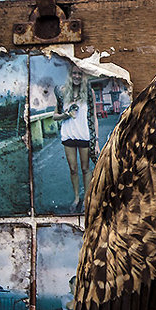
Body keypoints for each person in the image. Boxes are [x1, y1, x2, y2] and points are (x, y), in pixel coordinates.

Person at [53, 67, 92, 210]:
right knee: (73, 169)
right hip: (68, 135)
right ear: (70, 75)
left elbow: (93, 117)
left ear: (83, 76)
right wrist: (66, 115)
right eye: (74, 73)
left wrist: (97, 140)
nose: (76, 76)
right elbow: (55, 116)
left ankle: (87, 199)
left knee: (85, 168)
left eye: (79, 74)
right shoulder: (63, 93)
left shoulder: (88, 93)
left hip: (83, 135)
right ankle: (76, 198)